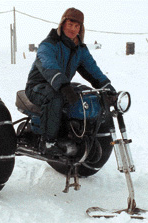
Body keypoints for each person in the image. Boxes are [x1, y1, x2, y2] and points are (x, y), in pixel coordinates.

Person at [25, 7, 115, 155]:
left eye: (77, 26)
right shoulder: (48, 44)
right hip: (38, 87)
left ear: (81, 28)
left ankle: (77, 137)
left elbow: (92, 70)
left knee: (87, 97)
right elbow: (49, 66)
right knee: (56, 97)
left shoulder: (80, 49)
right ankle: (48, 142)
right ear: (62, 24)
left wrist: (107, 87)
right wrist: (63, 86)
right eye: (70, 24)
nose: (73, 29)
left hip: (61, 85)